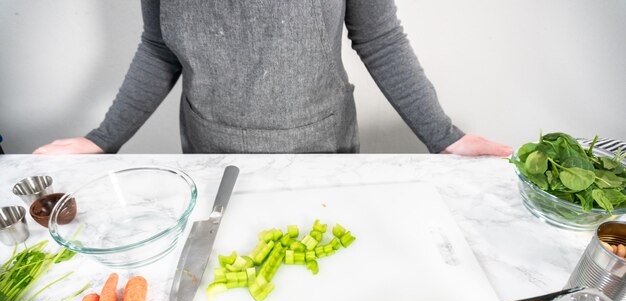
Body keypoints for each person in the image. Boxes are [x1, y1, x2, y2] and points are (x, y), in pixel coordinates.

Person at [34, 0, 512, 156]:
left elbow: (380, 38)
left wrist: (444, 137)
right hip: (211, 155)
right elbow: (161, 45)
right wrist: (102, 141)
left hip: (323, 152)